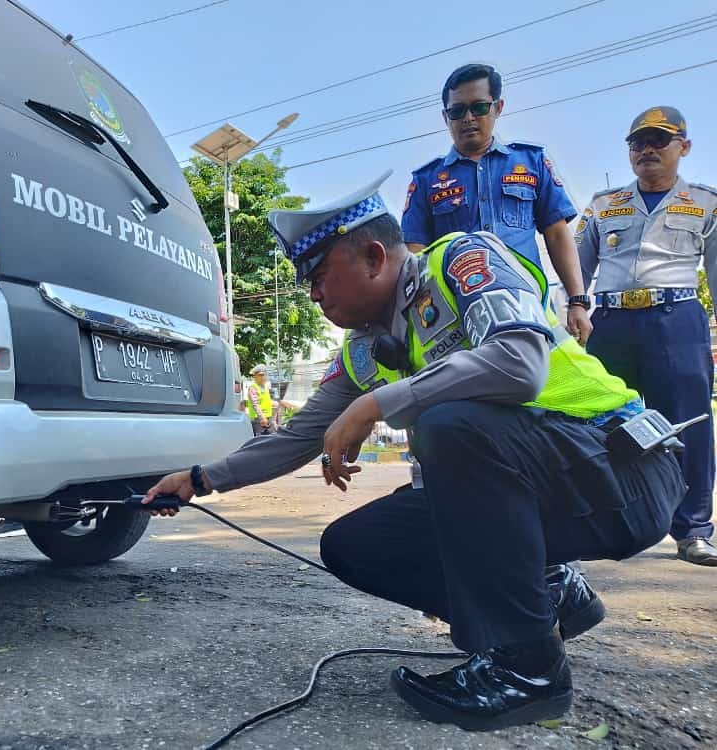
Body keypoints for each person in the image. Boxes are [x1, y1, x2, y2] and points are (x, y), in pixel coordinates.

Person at [144, 173, 685, 730]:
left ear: (375, 257)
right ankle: (545, 599)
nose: (314, 296)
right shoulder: (365, 348)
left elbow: (521, 364)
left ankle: (529, 671)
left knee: (452, 425)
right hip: (555, 485)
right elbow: (295, 437)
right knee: (357, 544)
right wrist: (199, 479)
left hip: (625, 470)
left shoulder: (460, 260)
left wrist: (377, 404)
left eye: (321, 276)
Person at [576, 106, 717, 566]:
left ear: (684, 147)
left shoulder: (705, 203)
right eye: (638, 143)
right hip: (610, 322)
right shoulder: (603, 204)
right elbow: (576, 268)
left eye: (659, 140)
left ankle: (693, 529)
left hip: (676, 319)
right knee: (601, 421)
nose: (647, 150)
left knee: (689, 421)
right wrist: (572, 314)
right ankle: (603, 522)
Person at [402, 63, 593, 345]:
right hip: (460, 320)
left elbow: (557, 233)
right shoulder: (426, 180)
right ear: (445, 117)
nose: (468, 118)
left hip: (531, 310)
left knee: (544, 387)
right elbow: (415, 255)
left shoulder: (532, 162)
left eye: (479, 107)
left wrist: (577, 301)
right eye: (457, 111)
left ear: (498, 107)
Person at [245, 364, 276, 435]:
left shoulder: (265, 387)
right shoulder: (253, 388)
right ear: (254, 376)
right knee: (259, 440)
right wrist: (262, 418)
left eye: (264, 375)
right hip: (258, 420)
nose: (263, 377)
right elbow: (255, 404)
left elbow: (266, 402)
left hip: (267, 418)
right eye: (260, 375)